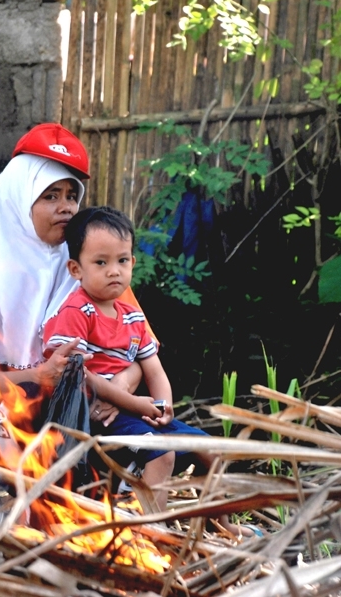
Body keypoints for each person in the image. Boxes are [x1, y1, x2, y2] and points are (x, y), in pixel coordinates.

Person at [43, 206, 258, 536]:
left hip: (134, 412)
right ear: (76, 268)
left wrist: (162, 406)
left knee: (210, 450)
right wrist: (138, 404)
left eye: (123, 260)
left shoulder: (132, 316)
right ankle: (151, 530)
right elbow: (77, 376)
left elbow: (154, 370)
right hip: (96, 420)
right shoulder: (76, 311)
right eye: (101, 262)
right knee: (162, 455)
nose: (114, 271)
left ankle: (221, 523)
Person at [0, 124, 144, 463]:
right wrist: (38, 376)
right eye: (50, 196)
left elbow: (139, 356)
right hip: (27, 439)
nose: (66, 207)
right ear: (18, 202)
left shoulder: (94, 271)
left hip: (97, 422)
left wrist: (119, 389)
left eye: (71, 195)